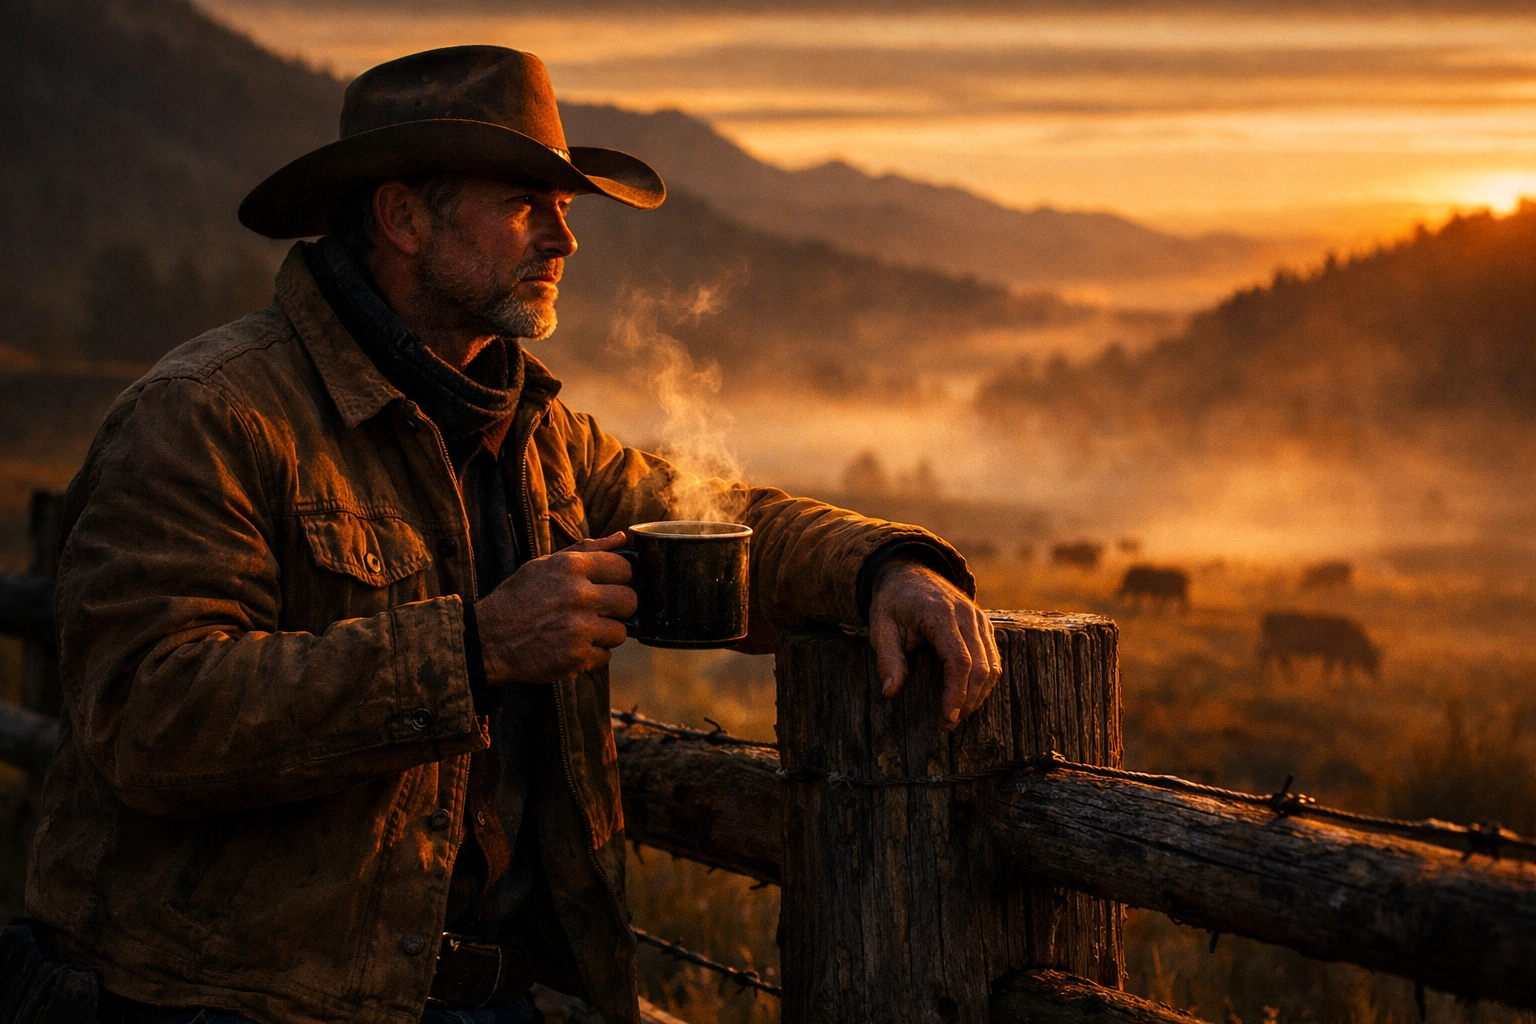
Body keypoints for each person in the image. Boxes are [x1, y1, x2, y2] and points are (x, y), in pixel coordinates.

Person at [18, 46, 1000, 1024]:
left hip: (504, 998)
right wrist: (476, 650)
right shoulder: (207, 416)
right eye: (526, 203)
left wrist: (886, 565)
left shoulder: (536, 432)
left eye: (565, 207)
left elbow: (715, 516)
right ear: (402, 218)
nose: (565, 240)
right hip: (242, 1002)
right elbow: (149, 717)